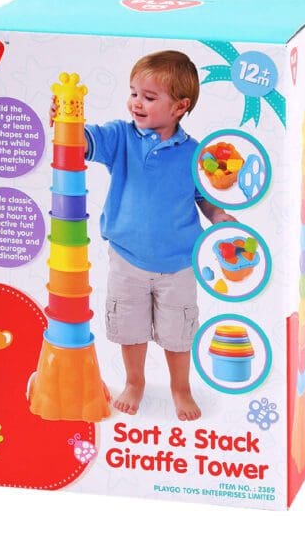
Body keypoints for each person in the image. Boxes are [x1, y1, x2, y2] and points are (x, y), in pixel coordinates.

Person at [52, 50, 235, 420]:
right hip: (127, 258)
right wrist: (65, 123)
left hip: (179, 263)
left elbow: (203, 197)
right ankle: (134, 382)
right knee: (130, 328)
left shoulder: (195, 153)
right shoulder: (121, 136)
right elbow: (84, 143)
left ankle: (180, 388)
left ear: (180, 106)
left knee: (177, 333)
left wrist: (220, 217)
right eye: (133, 93)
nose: (136, 102)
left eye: (149, 97)